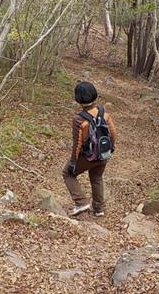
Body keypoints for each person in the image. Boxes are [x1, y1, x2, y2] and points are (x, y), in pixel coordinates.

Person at [63, 81, 117, 217]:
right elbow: (113, 133)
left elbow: (78, 144)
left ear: (78, 99)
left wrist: (73, 163)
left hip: (88, 156)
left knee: (68, 174)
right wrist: (110, 149)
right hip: (103, 154)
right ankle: (99, 209)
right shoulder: (104, 112)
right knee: (97, 177)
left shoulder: (78, 119)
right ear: (95, 95)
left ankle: (81, 202)